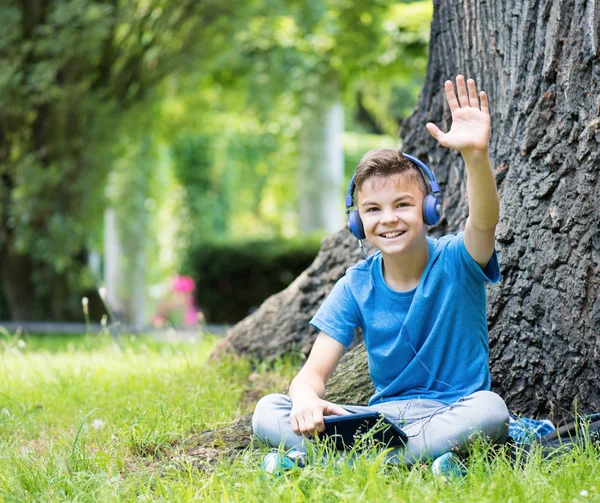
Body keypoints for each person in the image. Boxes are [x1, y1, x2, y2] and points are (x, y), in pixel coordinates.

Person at [252, 75, 509, 477]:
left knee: (491, 410)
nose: (388, 219)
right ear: (357, 223)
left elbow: (485, 222)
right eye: (373, 209)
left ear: (428, 212)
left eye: (403, 205)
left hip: (454, 411)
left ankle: (347, 461)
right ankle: (411, 460)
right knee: (268, 409)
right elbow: (312, 375)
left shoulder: (458, 258)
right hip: (381, 420)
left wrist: (476, 156)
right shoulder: (355, 284)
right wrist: (304, 399)